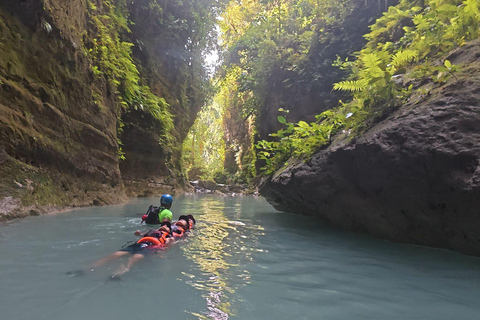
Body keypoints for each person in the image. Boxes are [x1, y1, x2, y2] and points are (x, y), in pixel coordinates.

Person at [88, 221, 173, 278]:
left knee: (135, 258)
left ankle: (122, 270)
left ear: (169, 231)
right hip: (139, 244)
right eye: (163, 225)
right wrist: (138, 233)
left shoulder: (168, 237)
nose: (164, 226)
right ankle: (91, 267)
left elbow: (167, 245)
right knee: (115, 254)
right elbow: (140, 235)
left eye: (167, 226)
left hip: (150, 246)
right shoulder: (151, 231)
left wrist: (164, 250)